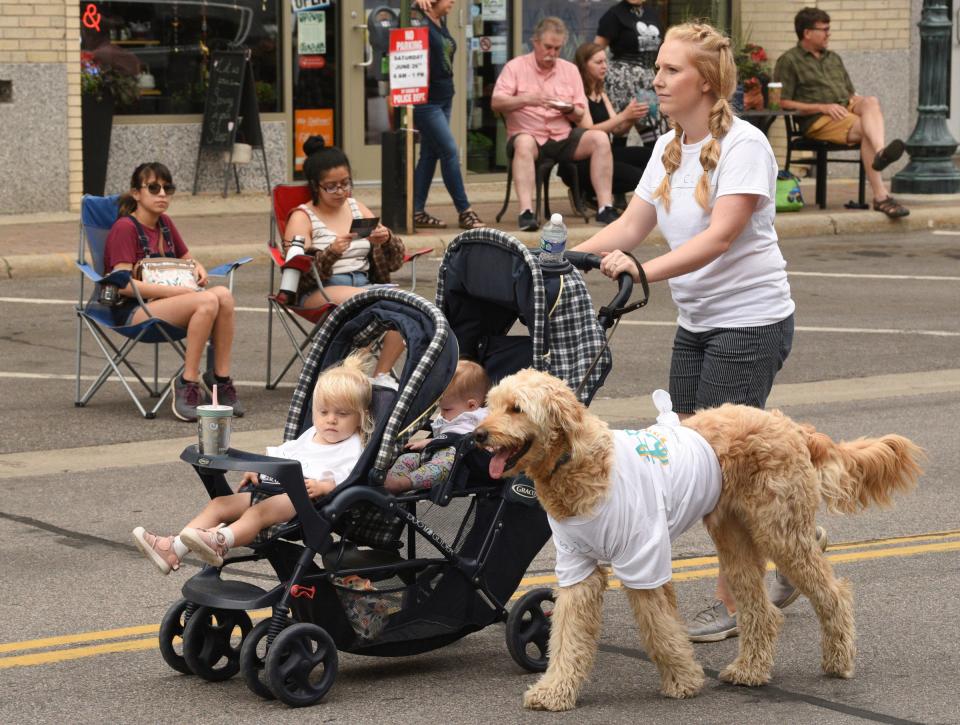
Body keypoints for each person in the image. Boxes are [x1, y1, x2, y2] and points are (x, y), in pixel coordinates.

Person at [572, 22, 825, 643]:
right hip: (699, 323)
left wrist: (642, 272)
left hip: (751, 322)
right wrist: (558, 259)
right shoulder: (667, 148)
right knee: (688, 465)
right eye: (658, 68)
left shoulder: (745, 146)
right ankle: (801, 540)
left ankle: (738, 602)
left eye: (670, 70)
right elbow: (631, 225)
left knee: (719, 469)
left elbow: (719, 237)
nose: (656, 79)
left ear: (706, 83)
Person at [132, 352, 374, 573]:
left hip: (304, 500)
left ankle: (221, 541)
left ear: (361, 417)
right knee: (219, 504)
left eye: (342, 415)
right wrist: (256, 468)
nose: (331, 420)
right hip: (275, 486)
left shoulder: (353, 446)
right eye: (323, 412)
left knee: (256, 514)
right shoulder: (311, 434)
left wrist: (325, 488)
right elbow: (282, 454)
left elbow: (352, 478)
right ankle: (173, 549)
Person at [103, 162, 243, 422]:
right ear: (136, 193)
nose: (162, 194)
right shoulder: (125, 227)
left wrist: (198, 267)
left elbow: (188, 258)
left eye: (168, 188)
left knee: (223, 294)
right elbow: (122, 284)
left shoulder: (164, 224)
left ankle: (220, 379)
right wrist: (174, 292)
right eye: (153, 188)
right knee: (207, 302)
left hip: (165, 305)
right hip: (133, 311)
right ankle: (187, 381)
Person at [283, 136, 407, 388]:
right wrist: (332, 251)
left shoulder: (356, 207)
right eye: (331, 186)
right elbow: (298, 271)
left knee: (408, 308)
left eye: (345, 184)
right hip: (319, 289)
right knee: (368, 303)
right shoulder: (302, 216)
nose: (340, 191)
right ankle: (351, 372)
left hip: (365, 284)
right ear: (315, 185)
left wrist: (386, 239)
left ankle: (380, 376)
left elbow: (394, 263)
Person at [774, 7, 909, 219]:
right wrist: (822, 107)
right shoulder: (789, 60)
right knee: (866, 129)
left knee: (871, 101)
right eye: (824, 29)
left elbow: (849, 92)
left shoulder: (833, 58)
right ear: (807, 33)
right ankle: (881, 196)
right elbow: (782, 101)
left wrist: (857, 100)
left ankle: (881, 151)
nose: (829, 34)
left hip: (845, 110)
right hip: (818, 120)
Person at [491, 16, 620, 231]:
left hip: (562, 136)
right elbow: (496, 102)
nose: (552, 53)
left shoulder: (569, 70)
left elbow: (581, 114)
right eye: (548, 47)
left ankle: (604, 207)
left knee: (599, 138)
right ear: (535, 42)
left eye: (557, 49)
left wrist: (568, 108)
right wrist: (526, 99)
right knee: (523, 143)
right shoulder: (515, 67)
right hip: (529, 136)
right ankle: (526, 212)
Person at [410, 0, 485, 231]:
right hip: (426, 100)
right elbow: (403, 29)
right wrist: (414, 4)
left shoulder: (439, 20)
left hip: (444, 97)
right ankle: (465, 211)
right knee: (450, 151)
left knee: (429, 155)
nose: (453, 1)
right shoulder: (417, 17)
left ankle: (415, 210)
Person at [560, 42, 654, 212]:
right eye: (598, 62)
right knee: (637, 177)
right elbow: (589, 130)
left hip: (605, 154)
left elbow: (617, 130)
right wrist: (624, 115)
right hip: (580, 162)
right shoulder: (578, 93)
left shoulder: (601, 93)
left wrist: (632, 117)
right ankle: (584, 190)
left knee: (650, 156)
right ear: (583, 65)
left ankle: (589, 194)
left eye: (605, 61)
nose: (605, 66)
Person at [384, 360, 490, 493]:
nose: (442, 414)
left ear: (472, 405)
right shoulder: (455, 411)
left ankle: (403, 484)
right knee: (405, 459)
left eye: (446, 409)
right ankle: (388, 485)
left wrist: (432, 441)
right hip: (433, 455)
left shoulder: (478, 417)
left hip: (458, 463)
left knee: (438, 467)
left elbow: (467, 436)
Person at [594, 0, 663, 144]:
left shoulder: (652, 14)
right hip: (621, 79)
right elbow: (594, 50)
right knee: (621, 127)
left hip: (646, 78)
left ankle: (651, 163)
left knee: (649, 122)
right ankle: (617, 164)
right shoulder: (614, 14)